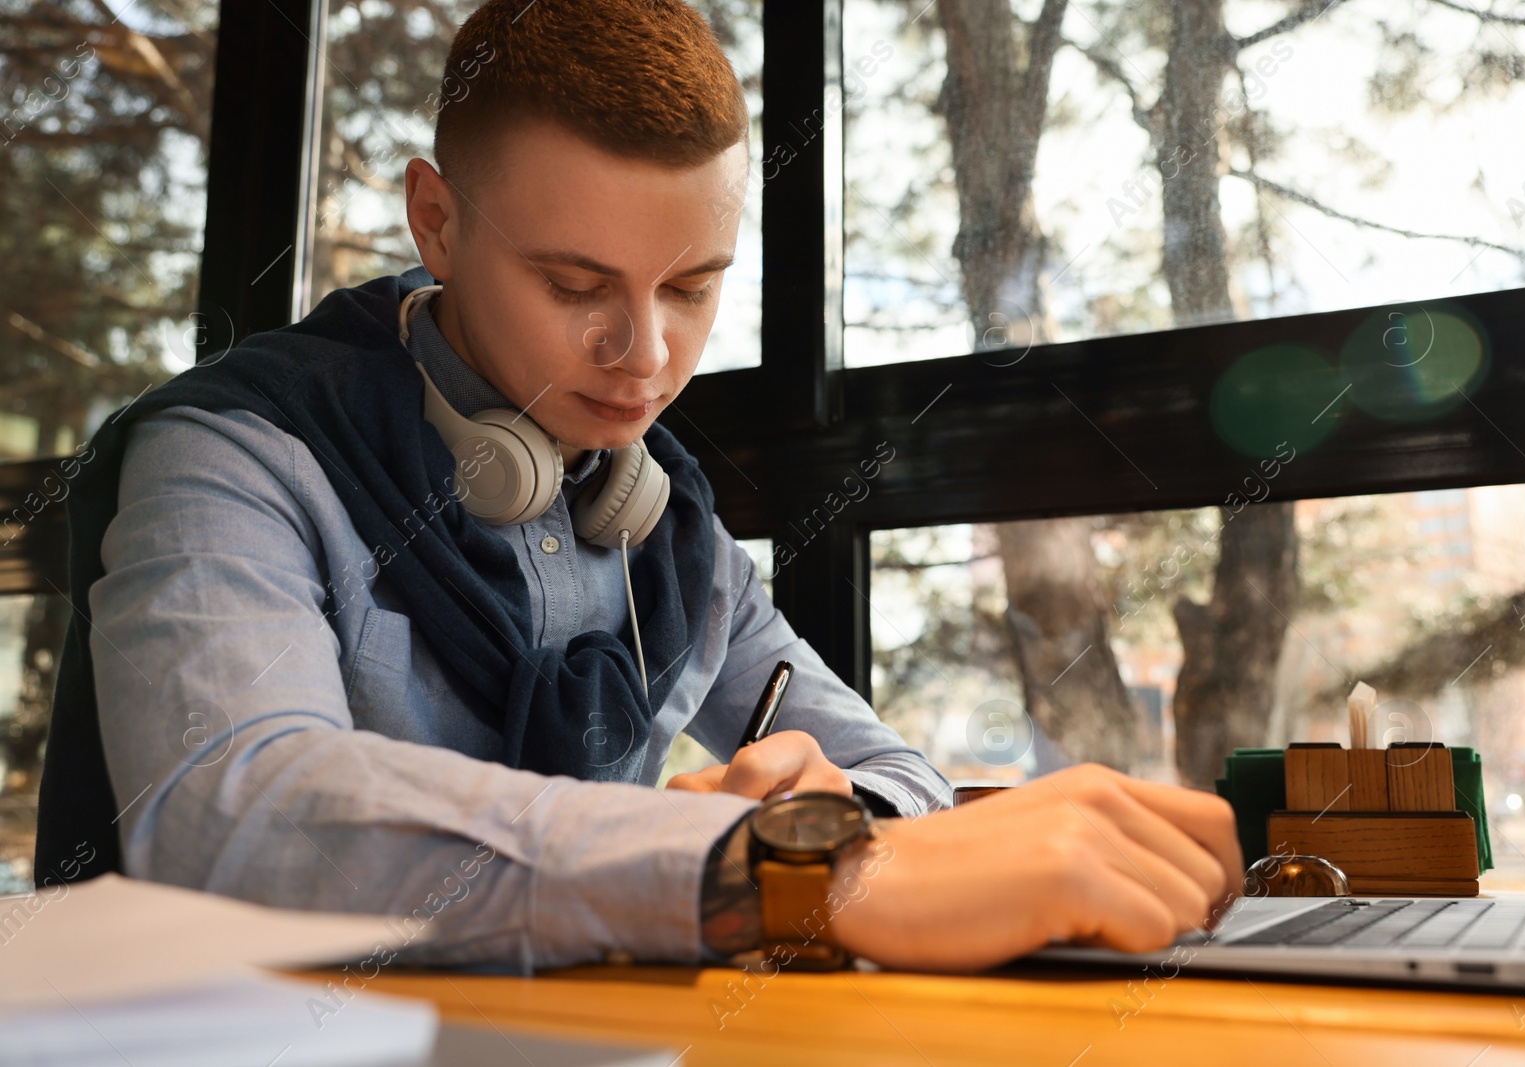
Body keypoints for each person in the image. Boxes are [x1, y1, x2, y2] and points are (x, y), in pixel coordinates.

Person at [35, 0, 1240, 973]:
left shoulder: (662, 517)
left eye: (690, 285)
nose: (648, 357)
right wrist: (767, 863)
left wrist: (823, 813)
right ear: (437, 223)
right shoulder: (229, 455)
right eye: (574, 286)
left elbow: (895, 770)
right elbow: (232, 815)